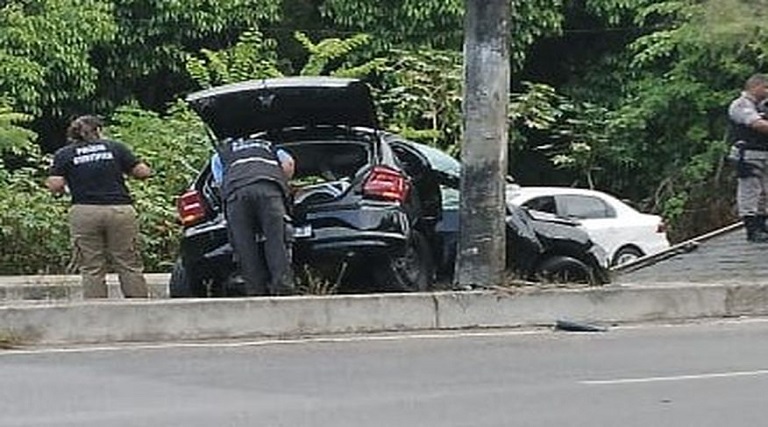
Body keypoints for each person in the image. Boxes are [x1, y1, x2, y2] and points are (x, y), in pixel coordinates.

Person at [45, 115, 152, 297]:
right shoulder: (115, 147)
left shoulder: (64, 154)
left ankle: (97, 311)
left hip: (84, 211)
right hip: (119, 210)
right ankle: (139, 308)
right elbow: (142, 172)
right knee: (128, 262)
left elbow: (55, 185)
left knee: (91, 265)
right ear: (98, 130)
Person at [214, 136, 296, 296]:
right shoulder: (269, 146)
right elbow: (289, 164)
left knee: (243, 243)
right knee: (276, 239)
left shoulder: (222, 152)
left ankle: (255, 291)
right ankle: (283, 288)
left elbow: (219, 181)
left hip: (237, 193)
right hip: (268, 190)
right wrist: (283, 183)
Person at [727, 73, 768, 242]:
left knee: (765, 192)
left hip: (764, 153)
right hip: (748, 155)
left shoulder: (763, 105)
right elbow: (756, 124)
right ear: (755, 87)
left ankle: (762, 223)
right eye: (766, 87)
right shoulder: (741, 105)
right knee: (750, 190)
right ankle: (752, 228)